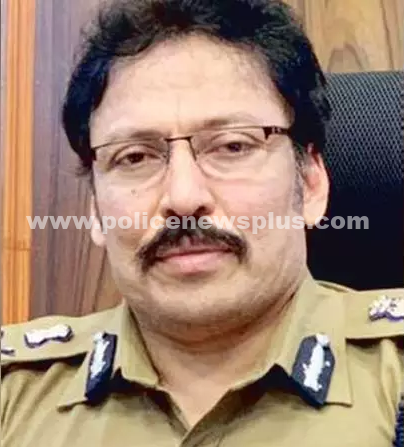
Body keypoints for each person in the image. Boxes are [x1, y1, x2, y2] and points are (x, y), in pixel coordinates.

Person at [1, 0, 403, 446]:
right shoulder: (13, 394)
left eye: (232, 146)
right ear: (95, 209)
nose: (183, 198)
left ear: (309, 183)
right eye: (135, 157)